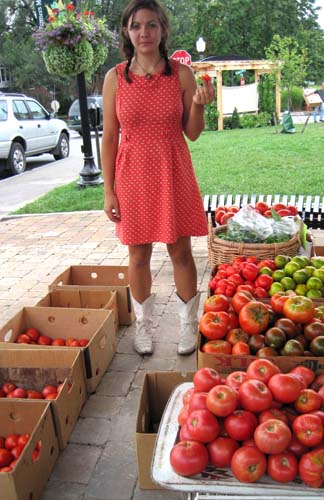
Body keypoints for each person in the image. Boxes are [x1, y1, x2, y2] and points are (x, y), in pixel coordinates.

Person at [101, 0, 215, 356]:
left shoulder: (181, 74)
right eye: (136, 26)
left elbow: (192, 133)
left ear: (163, 29)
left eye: (151, 25)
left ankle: (186, 327)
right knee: (138, 257)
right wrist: (108, 191)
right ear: (126, 32)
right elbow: (109, 137)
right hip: (132, 176)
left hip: (173, 172)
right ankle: (144, 327)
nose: (144, 32)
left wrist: (199, 104)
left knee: (181, 252)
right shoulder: (115, 77)